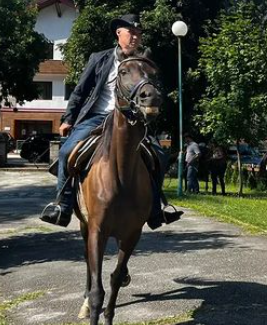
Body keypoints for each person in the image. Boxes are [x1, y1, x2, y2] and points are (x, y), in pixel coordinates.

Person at [40, 13, 182, 228]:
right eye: (131, 32)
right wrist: (68, 119)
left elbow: (150, 91)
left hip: (131, 121)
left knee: (159, 155)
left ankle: (155, 210)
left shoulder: (143, 62)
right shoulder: (100, 58)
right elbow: (80, 91)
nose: (135, 37)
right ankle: (63, 205)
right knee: (66, 152)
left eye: (138, 34)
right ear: (119, 33)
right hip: (97, 118)